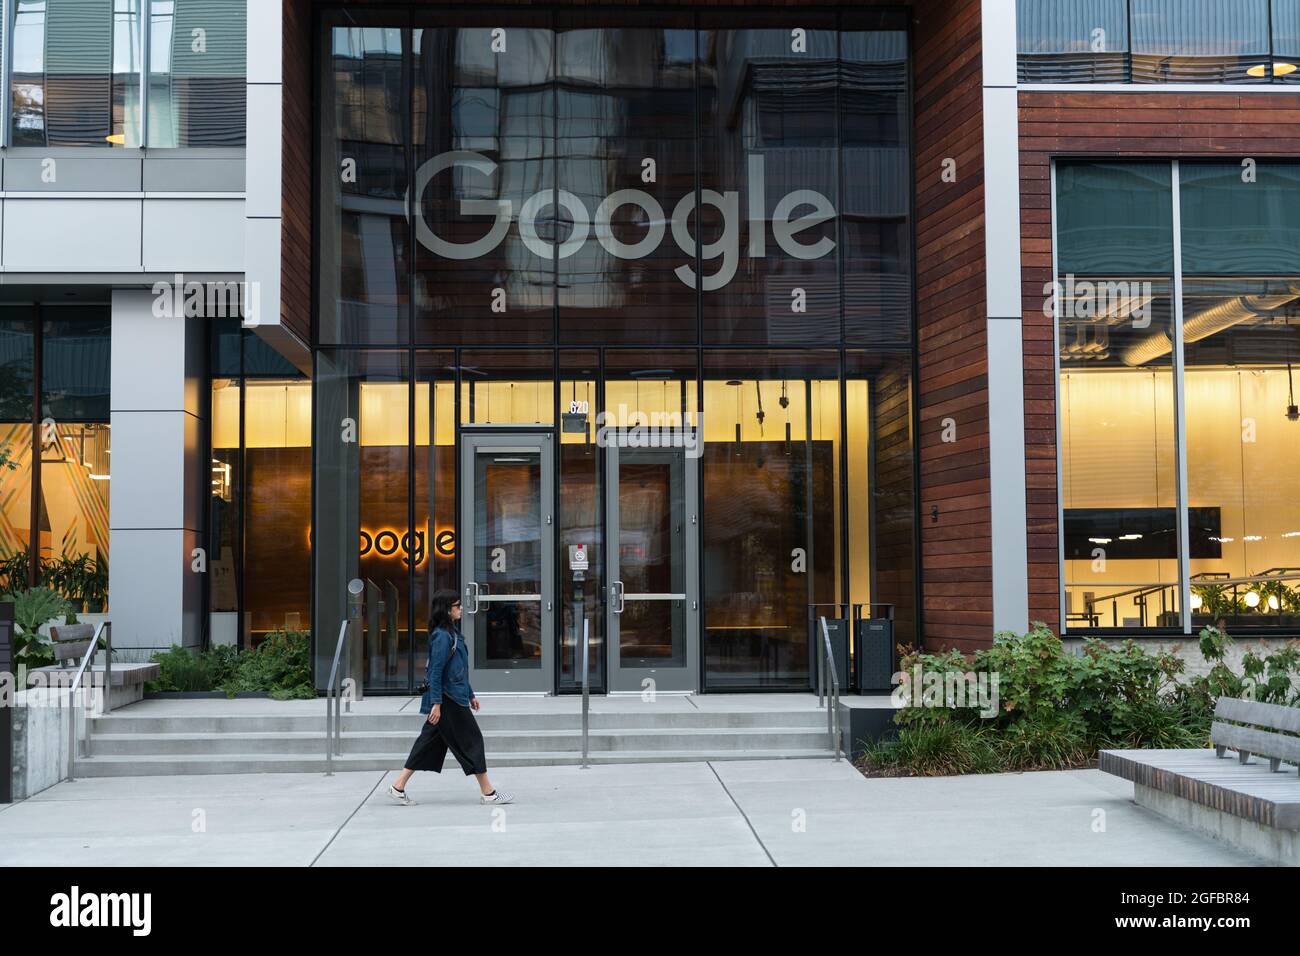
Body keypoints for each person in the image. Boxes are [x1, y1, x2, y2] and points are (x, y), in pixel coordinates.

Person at [388, 589, 513, 805]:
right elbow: (435, 672)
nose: (461, 608)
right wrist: (436, 704)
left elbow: (457, 670)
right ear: (446, 610)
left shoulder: (452, 634)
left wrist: (470, 694)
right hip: (447, 700)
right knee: (472, 740)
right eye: (457, 605)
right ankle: (489, 793)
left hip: (453, 696)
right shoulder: (442, 637)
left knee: (428, 742)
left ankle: (398, 786)